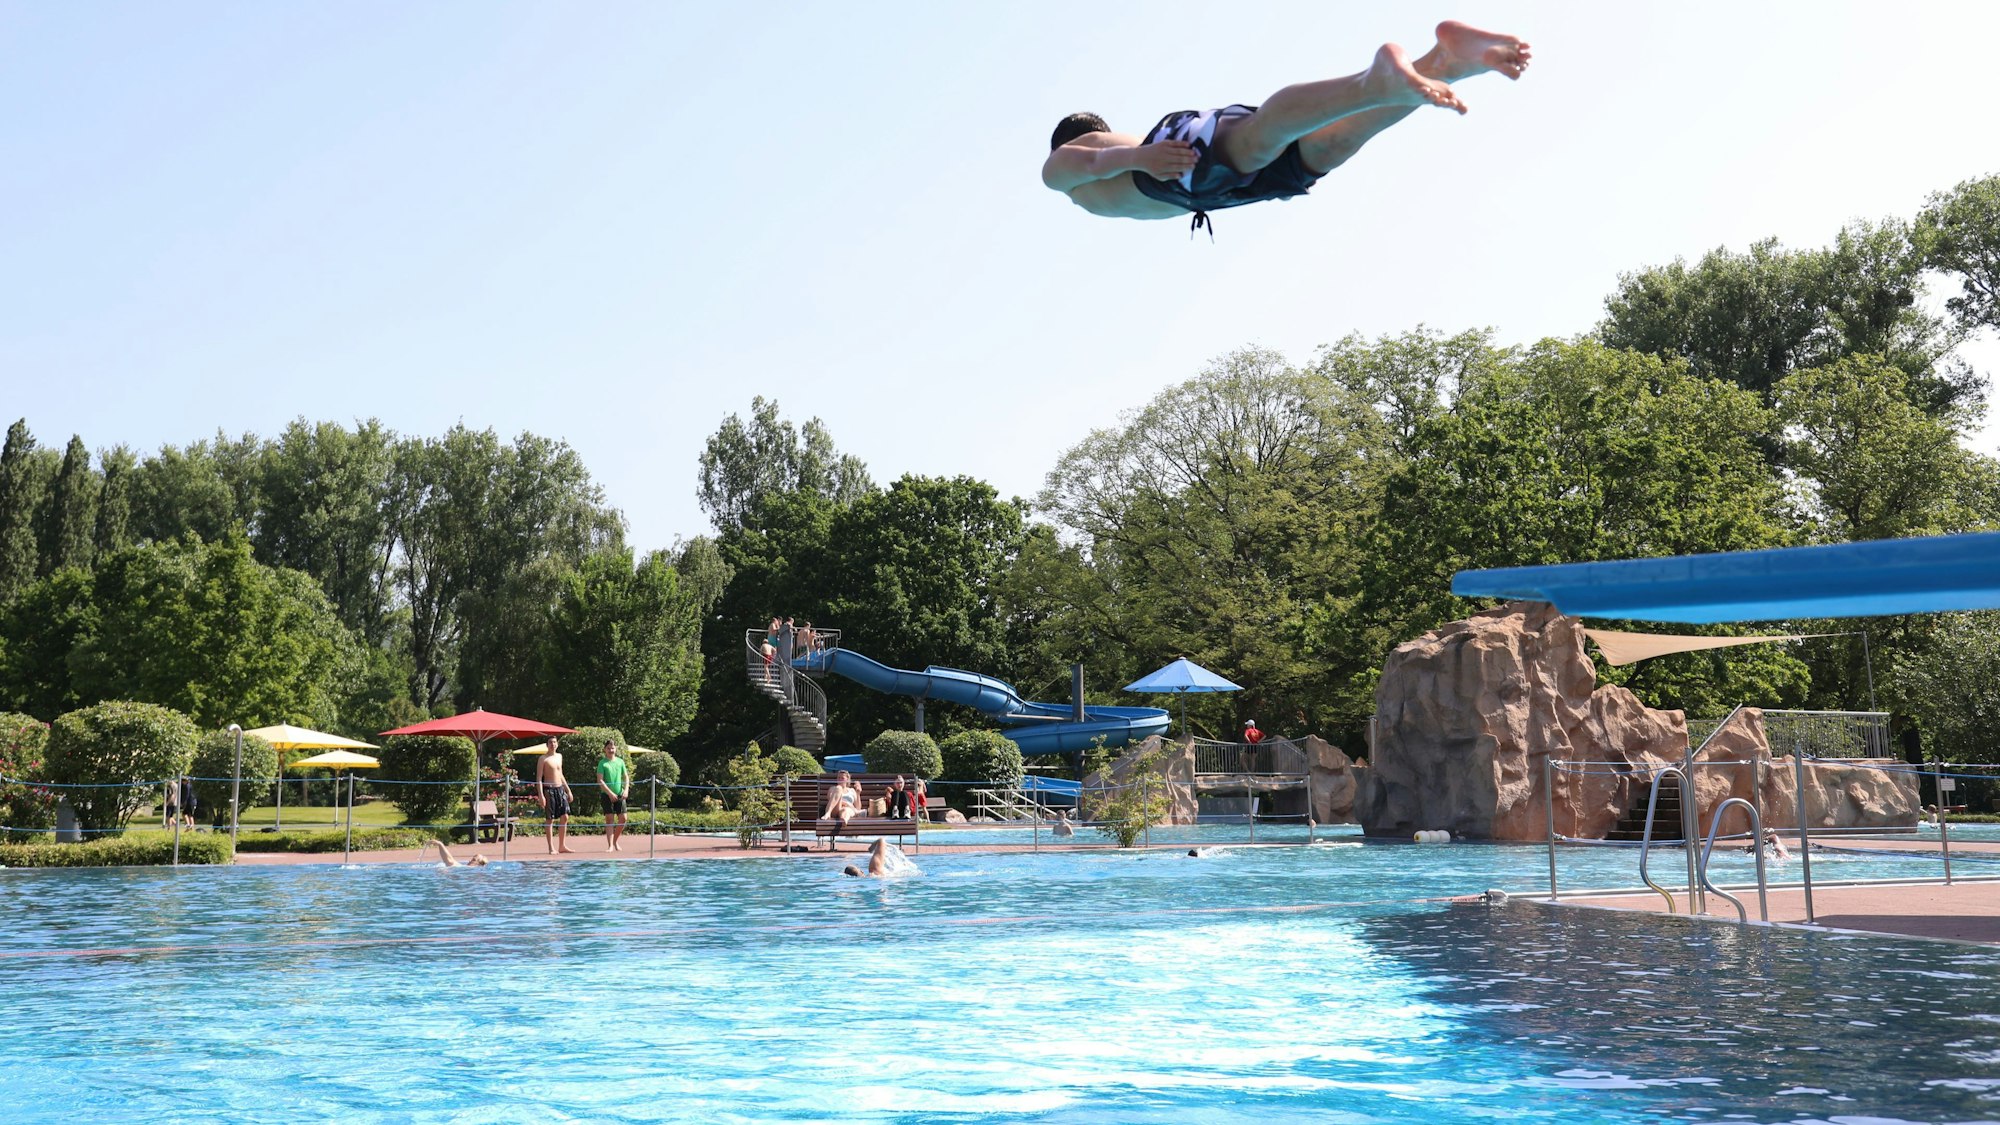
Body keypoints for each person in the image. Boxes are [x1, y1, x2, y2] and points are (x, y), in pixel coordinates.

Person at [1042, 21, 1529, 235]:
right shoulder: (1105, 189)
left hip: (1174, 169)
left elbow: (1082, 160)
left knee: (1257, 139)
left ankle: (1372, 80)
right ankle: (1446, 61)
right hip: (1203, 190)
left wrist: (1139, 158)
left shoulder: (1061, 174)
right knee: (1325, 150)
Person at [537, 736, 576, 854]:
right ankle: (551, 847)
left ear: (557, 744)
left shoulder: (559, 756)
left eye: (554, 742)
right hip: (549, 790)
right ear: (547, 745)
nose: (552, 744)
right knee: (550, 819)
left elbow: (560, 774)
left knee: (565, 817)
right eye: (550, 742)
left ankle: (562, 845)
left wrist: (568, 790)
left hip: (560, 789)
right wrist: (541, 795)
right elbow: (538, 778)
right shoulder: (543, 758)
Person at [597, 740, 631, 852]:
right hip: (606, 795)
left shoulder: (620, 762)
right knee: (609, 819)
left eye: (612, 748)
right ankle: (610, 845)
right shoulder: (602, 763)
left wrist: (626, 790)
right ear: (605, 750)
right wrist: (610, 793)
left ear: (615, 749)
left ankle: (615, 841)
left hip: (620, 793)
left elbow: (626, 777)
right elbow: (600, 780)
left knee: (623, 818)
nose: (611, 750)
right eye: (608, 748)